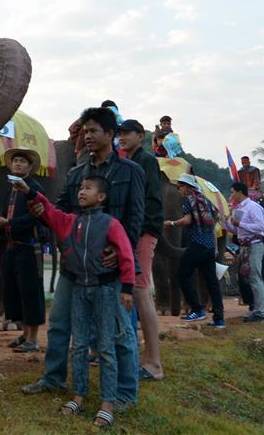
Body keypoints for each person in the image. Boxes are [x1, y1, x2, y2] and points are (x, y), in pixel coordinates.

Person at [22, 106, 144, 415]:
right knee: (61, 324)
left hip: (111, 269)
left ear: (110, 134)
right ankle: (53, 378)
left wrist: (121, 250)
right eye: (84, 131)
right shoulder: (77, 173)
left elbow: (137, 218)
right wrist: (45, 214)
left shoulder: (131, 172)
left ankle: (125, 394)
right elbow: (63, 209)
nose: (86, 136)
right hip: (75, 265)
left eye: (93, 131)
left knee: (119, 332)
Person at [13, 174, 135, 429]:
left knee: (105, 347)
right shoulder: (70, 222)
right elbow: (49, 210)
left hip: (103, 290)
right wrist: (30, 192)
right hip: (79, 289)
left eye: (88, 188)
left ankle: (108, 403)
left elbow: (125, 254)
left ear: (101, 197)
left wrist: (127, 287)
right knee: (79, 345)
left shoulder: (111, 224)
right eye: (80, 188)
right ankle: (78, 397)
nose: (81, 192)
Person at [117, 119, 165, 380]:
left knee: (141, 290)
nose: (121, 137)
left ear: (140, 136)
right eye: (119, 133)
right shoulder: (129, 161)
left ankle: (154, 363)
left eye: (126, 133)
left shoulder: (145, 161)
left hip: (142, 232)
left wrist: (137, 232)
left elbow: (151, 200)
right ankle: (137, 355)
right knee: (132, 289)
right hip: (132, 232)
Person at [0, 148, 46, 353]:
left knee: (31, 293)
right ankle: (24, 335)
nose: (18, 164)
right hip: (11, 248)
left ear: (30, 167)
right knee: (15, 292)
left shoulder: (34, 188)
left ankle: (33, 338)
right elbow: (7, 215)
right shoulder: (11, 190)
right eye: (15, 161)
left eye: (22, 161)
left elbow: (36, 217)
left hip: (29, 248)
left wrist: (8, 222)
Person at [167, 174, 225, 328]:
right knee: (212, 281)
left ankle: (197, 309)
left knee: (182, 275)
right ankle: (219, 319)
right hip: (209, 246)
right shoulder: (205, 200)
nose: (179, 189)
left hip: (197, 243)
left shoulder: (188, 199)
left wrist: (171, 223)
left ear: (186, 186)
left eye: (180, 186)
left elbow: (187, 220)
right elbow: (215, 219)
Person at [225, 182, 264, 322]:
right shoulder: (239, 208)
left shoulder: (253, 207)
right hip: (244, 246)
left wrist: (240, 224)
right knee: (250, 279)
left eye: (233, 192)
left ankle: (261, 311)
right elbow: (237, 231)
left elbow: (260, 227)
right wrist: (226, 223)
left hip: (254, 245)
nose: (231, 195)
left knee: (256, 277)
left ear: (240, 192)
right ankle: (257, 308)